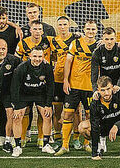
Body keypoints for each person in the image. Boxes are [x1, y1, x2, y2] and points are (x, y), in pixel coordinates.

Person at [58, 20, 98, 154]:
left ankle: (87, 143)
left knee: (89, 115)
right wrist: (65, 80)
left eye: (93, 29)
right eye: (88, 29)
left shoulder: (99, 46)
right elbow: (68, 61)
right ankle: (65, 145)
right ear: (84, 30)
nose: (90, 32)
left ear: (96, 31)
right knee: (68, 114)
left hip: (90, 88)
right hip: (74, 86)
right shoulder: (75, 43)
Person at [10, 47, 56, 157]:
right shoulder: (21, 68)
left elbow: (51, 87)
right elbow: (14, 87)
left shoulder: (47, 68)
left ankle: (45, 144)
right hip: (24, 94)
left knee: (47, 116)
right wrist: (16, 107)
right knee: (17, 117)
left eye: (40, 56)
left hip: (40, 94)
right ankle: (17, 146)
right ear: (30, 56)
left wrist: (49, 105)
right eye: (35, 56)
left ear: (43, 57)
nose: (37, 59)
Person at [17, 19, 56, 147]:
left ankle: (41, 138)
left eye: (40, 29)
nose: (37, 32)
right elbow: (17, 60)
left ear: (43, 31)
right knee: (26, 110)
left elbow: (61, 45)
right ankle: (22, 138)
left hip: (43, 81)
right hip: (26, 82)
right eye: (35, 29)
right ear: (30, 30)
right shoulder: (23, 43)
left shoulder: (49, 41)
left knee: (43, 111)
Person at [81, 76, 120, 160]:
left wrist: (117, 125)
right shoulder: (95, 103)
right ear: (98, 90)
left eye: (108, 89)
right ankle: (100, 146)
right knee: (82, 127)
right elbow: (94, 126)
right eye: (103, 90)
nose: (106, 93)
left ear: (112, 87)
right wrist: (94, 153)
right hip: (103, 129)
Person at [49, 15, 80, 146]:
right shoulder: (52, 41)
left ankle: (76, 138)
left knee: (76, 110)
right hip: (57, 80)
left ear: (69, 25)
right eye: (60, 25)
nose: (62, 27)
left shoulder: (77, 38)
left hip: (73, 80)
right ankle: (57, 137)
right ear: (57, 26)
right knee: (57, 111)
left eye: (65, 25)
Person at [90, 27, 120, 91]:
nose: (109, 42)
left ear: (115, 39)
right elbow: (94, 73)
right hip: (105, 86)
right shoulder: (97, 52)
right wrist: (95, 90)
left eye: (112, 39)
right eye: (107, 39)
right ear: (103, 39)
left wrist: (119, 85)